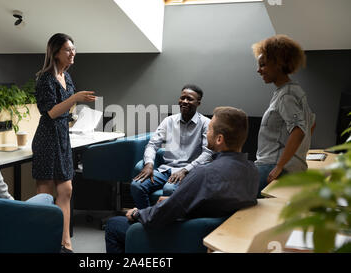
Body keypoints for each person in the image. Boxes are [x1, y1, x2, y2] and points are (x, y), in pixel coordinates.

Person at [105, 107, 259, 253]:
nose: (207, 133)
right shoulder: (253, 171)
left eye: (210, 130)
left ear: (219, 139)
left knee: (113, 225)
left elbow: (160, 216)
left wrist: (138, 213)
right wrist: (174, 200)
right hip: (219, 236)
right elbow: (216, 202)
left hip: (186, 235)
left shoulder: (204, 173)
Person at [32, 33, 96, 253]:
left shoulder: (66, 77)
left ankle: (65, 242)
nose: (72, 53)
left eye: (73, 49)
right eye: (68, 50)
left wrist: (72, 108)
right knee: (45, 195)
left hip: (62, 137)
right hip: (47, 138)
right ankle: (45, 243)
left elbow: (65, 110)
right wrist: (74, 98)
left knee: (66, 190)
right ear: (56, 52)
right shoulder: (45, 78)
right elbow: (49, 113)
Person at [130, 84, 213, 209]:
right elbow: (152, 145)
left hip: (189, 172)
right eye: (182, 98)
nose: (184, 101)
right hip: (166, 170)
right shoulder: (169, 121)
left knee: (169, 188)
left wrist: (185, 170)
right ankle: (146, 219)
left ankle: (165, 223)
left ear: (198, 103)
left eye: (189, 99)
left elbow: (208, 153)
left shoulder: (206, 123)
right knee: (137, 185)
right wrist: (149, 164)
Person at [252, 34, 316, 194]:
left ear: (278, 63)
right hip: (291, 168)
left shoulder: (286, 94)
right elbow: (311, 124)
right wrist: (299, 154)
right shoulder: (296, 91)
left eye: (263, 65)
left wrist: (280, 165)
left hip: (273, 167)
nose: (258, 70)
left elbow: (299, 130)